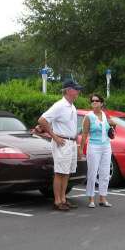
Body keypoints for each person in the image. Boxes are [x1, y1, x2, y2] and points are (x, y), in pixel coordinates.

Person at [38, 78, 83, 211]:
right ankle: (57, 201)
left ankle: (63, 199)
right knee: (59, 172)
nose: (78, 91)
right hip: (62, 142)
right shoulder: (59, 105)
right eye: (76, 89)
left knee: (67, 172)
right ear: (69, 90)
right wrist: (54, 136)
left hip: (71, 142)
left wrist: (77, 145)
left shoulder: (72, 106)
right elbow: (42, 120)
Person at [80, 93, 117, 208]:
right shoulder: (88, 116)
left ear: (101, 103)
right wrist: (81, 149)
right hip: (94, 147)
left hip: (106, 146)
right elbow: (85, 134)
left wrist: (112, 130)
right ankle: (91, 199)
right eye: (92, 101)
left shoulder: (105, 115)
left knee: (105, 173)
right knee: (92, 172)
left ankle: (103, 198)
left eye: (96, 101)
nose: (94, 102)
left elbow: (113, 124)